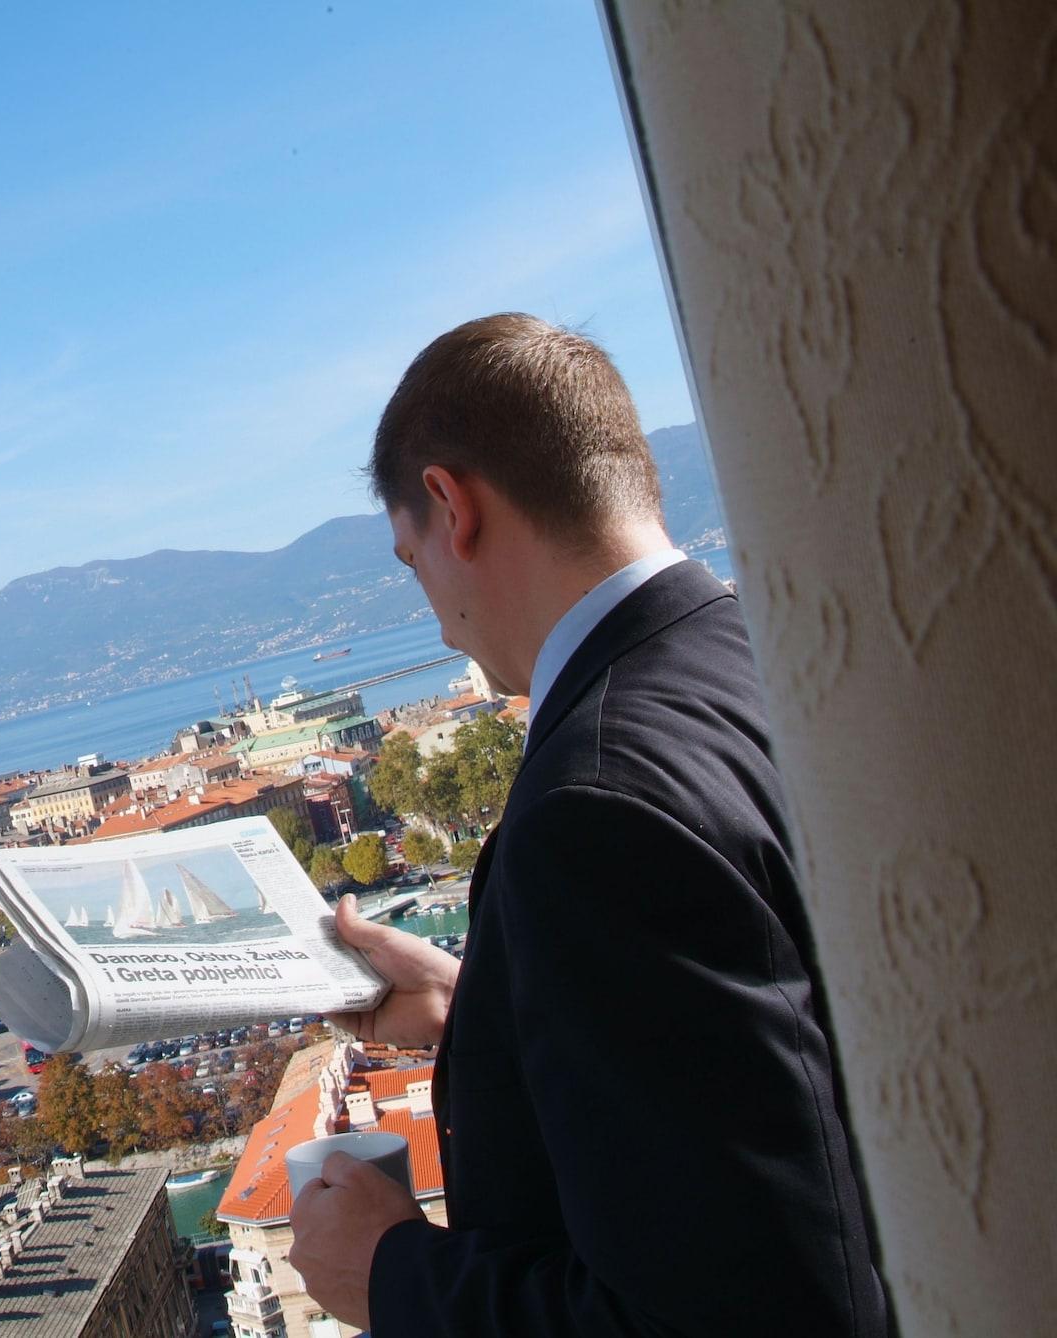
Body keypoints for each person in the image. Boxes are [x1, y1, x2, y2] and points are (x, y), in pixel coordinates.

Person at [287, 314, 889, 1337]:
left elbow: (729, 1315)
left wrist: (390, 1274)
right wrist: (485, 1003)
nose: (433, 613)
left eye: (407, 560)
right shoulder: (770, 659)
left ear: (449, 504)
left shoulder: (591, 809)